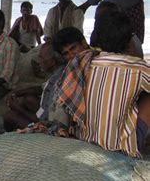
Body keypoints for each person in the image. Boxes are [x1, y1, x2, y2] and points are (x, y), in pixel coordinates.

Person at [57, 11, 150, 156]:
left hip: (87, 139)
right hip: (120, 147)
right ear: (128, 39)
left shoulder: (85, 64)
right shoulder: (139, 68)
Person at [3, 42, 65, 131]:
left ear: (52, 61)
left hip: (51, 127)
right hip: (46, 114)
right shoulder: (59, 72)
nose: (39, 61)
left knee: (9, 116)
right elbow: (43, 88)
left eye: (41, 57)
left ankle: (12, 138)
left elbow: (46, 120)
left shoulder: (58, 83)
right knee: (28, 99)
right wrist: (18, 92)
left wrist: (18, 108)